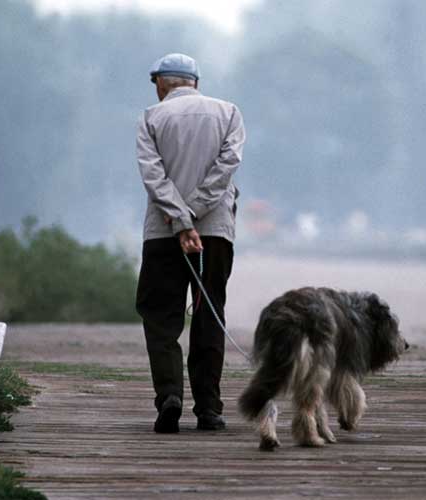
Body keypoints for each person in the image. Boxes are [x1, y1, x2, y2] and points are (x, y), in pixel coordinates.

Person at [135, 53, 246, 433]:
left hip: (163, 233)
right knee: (208, 313)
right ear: (194, 82)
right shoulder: (229, 113)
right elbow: (226, 168)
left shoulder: (151, 117)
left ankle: (169, 397)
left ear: (162, 83)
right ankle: (209, 410)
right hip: (214, 231)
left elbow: (153, 176)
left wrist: (181, 220)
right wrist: (196, 214)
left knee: (161, 317)